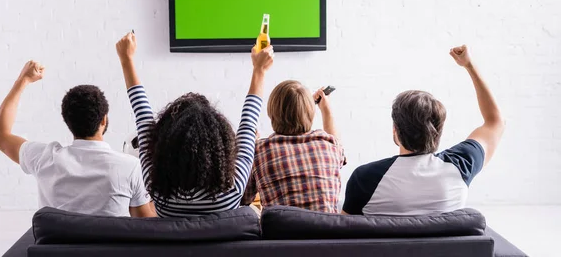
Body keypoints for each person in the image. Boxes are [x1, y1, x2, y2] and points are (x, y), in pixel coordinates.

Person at [115, 32, 273, 217]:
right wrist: (259, 70)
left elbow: (142, 116)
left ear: (165, 145)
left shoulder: (155, 186)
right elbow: (248, 123)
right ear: (221, 146)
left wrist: (126, 59)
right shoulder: (234, 188)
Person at [342, 45, 505, 215]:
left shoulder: (364, 178)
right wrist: (469, 65)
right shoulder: (461, 164)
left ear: (395, 131)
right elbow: (495, 121)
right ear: (438, 131)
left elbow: (345, 234)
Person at [0, 61, 152, 217]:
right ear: (103, 120)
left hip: (55, 246)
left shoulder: (44, 158)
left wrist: (23, 80)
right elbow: (146, 225)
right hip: (108, 246)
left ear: (67, 121)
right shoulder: (130, 168)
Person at [241, 80, 346, 213]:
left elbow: (242, 198)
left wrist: (248, 147)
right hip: (327, 232)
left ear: (271, 113)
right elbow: (337, 143)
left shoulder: (259, 150)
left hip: (281, 233)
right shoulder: (330, 145)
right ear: (311, 113)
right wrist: (326, 110)